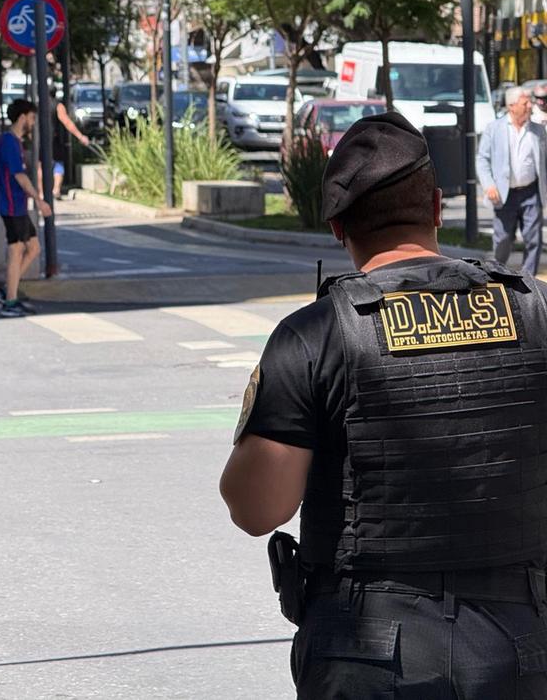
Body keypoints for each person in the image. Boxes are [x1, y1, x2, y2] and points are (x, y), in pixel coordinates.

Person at [221, 110, 547, 698]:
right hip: (524, 643)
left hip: (367, 654)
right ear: (437, 206)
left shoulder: (314, 336)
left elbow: (256, 509)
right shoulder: (535, 313)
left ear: (339, 228)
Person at [0, 100, 53, 317]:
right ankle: (9, 303)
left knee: (33, 247)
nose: (33, 122)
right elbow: (19, 176)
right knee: (16, 250)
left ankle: (8, 289)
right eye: (32, 118)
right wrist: (39, 200)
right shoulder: (9, 142)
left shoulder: (13, 141)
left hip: (17, 205)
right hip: (11, 204)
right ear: (22, 117)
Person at [477, 85, 547, 276]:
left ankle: (528, 280)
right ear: (511, 106)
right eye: (525, 103)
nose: (530, 106)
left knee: (533, 240)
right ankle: (497, 276)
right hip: (503, 193)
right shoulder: (494, 128)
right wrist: (488, 184)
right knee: (503, 240)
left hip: (531, 192)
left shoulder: (538, 130)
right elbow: (482, 159)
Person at [49, 88, 92, 201]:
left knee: (40, 165)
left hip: (40, 140)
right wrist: (80, 136)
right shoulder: (58, 106)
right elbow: (67, 122)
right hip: (55, 139)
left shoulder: (38, 105)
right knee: (58, 164)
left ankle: (41, 193)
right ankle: (56, 190)